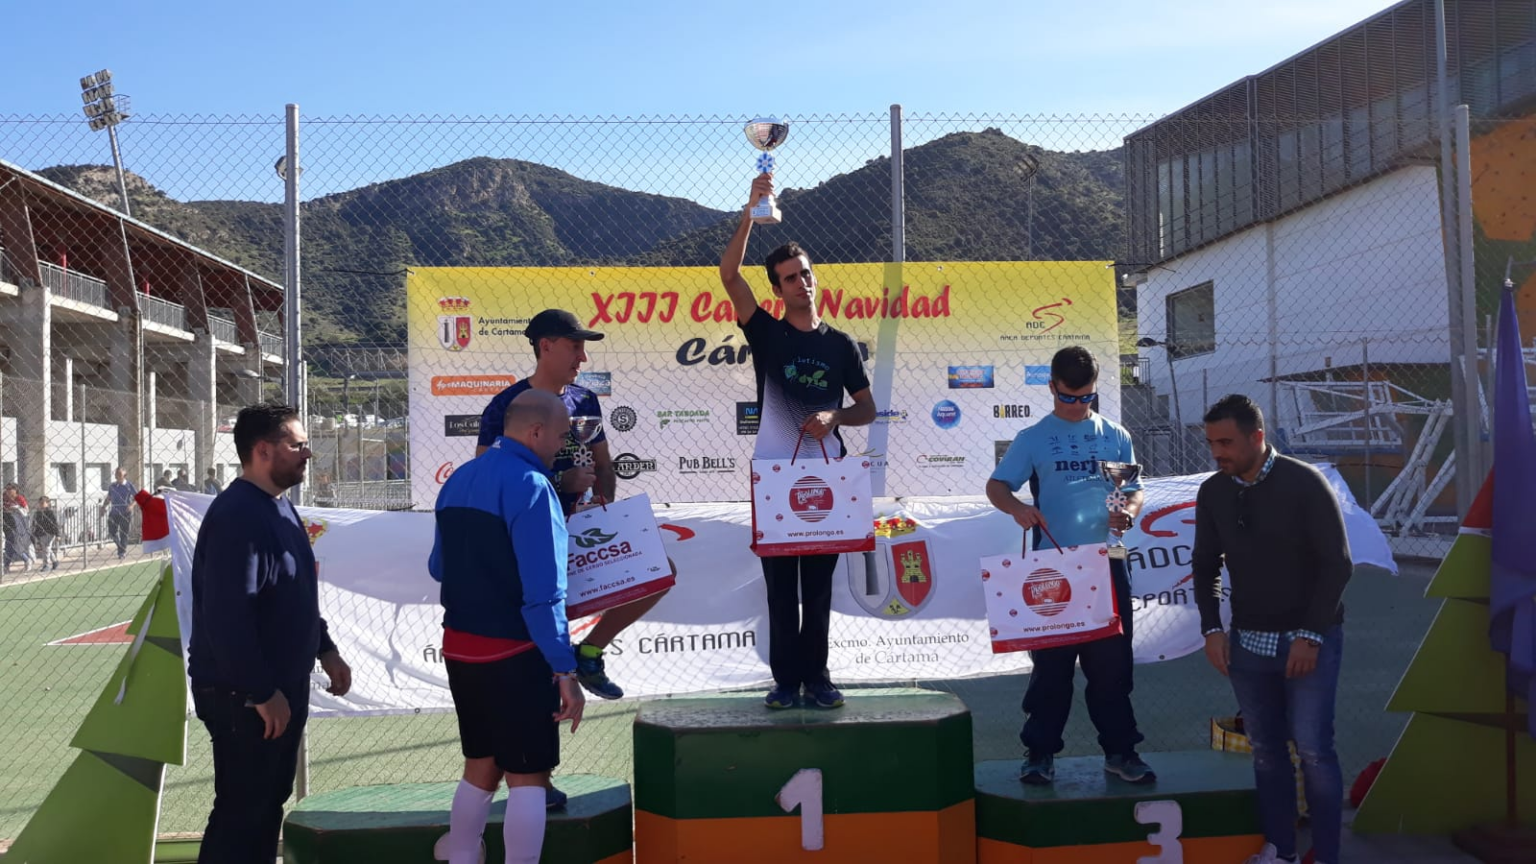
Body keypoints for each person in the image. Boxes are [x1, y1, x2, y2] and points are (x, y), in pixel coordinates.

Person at [718, 173, 877, 710]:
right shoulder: (766, 333)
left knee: (820, 588)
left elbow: (867, 409)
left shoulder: (841, 345)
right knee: (781, 588)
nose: (801, 283)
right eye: (789, 278)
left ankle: (820, 677)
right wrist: (751, 211)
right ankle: (786, 682)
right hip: (775, 475)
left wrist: (836, 415)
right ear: (778, 290)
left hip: (827, 475)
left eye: (805, 274)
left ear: (814, 277)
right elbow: (728, 275)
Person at [476, 308, 673, 704]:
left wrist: (604, 509)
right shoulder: (506, 405)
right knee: (542, 618)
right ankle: (546, 667)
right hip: (531, 538)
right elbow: (487, 481)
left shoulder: (585, 399)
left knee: (661, 569)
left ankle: (589, 653)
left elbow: (604, 466)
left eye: (584, 349)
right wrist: (559, 483)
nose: (583, 358)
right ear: (546, 346)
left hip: (582, 532)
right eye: (574, 347)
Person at [186, 404, 352, 864]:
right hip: (244, 696)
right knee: (243, 812)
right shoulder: (238, 516)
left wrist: (325, 648)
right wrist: (260, 691)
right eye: (297, 445)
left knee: (263, 807)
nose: (307, 453)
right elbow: (227, 617)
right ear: (262, 450)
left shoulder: (278, 507)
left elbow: (290, 593)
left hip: (276, 688)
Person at [985, 345, 1155, 785]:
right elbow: (997, 486)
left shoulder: (1115, 434)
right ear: (1051, 387)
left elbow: (1132, 489)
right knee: (1051, 671)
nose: (1077, 406)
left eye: (1086, 397)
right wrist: (1018, 509)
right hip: (1054, 567)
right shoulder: (1033, 438)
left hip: (1108, 562)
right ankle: (1039, 753)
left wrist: (1129, 511)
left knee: (1112, 670)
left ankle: (1121, 751)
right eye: (1068, 397)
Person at [1194, 395, 1351, 864]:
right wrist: (1212, 629)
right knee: (1265, 751)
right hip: (1247, 643)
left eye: (1226, 443)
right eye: (1211, 443)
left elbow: (1337, 565)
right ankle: (1281, 852)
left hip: (1310, 642)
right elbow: (1205, 564)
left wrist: (1311, 636)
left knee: (1314, 751)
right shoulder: (1213, 491)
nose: (1217, 452)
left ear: (1257, 437)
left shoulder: (1304, 483)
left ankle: (1326, 856)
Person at [432, 390, 585, 864]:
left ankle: (461, 855)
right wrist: (565, 670)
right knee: (528, 777)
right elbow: (544, 594)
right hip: (515, 651)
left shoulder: (458, 478)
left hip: (459, 646)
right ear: (536, 431)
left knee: (480, 766)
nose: (563, 446)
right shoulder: (534, 487)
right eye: (562, 435)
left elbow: (439, 567)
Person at [106, 468, 137, 559]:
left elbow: (137, 498)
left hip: (125, 512)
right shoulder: (112, 486)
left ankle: (122, 552)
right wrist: (103, 507)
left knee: (123, 533)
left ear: (124, 476)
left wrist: (131, 505)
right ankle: (121, 547)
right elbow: (109, 497)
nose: (117, 476)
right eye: (116, 474)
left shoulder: (129, 485)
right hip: (114, 512)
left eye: (120, 474)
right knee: (112, 532)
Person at [2, 485, 32, 573]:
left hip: (17, 524)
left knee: (15, 544)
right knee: (8, 545)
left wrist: (16, 508)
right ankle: (6, 566)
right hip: (6, 522)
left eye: (11, 491)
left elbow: (26, 510)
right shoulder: (4, 497)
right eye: (7, 491)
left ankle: (26, 559)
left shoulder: (19, 498)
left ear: (15, 491)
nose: (8, 493)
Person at [31, 496, 59, 571]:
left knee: (46, 548)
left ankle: (46, 565)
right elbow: (35, 524)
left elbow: (55, 524)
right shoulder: (37, 513)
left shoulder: (50, 512)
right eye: (40, 503)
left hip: (50, 533)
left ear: (47, 503)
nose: (40, 504)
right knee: (46, 549)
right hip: (41, 533)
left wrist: (57, 534)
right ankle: (55, 561)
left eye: (42, 503)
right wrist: (35, 533)